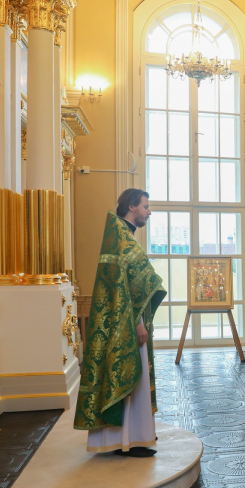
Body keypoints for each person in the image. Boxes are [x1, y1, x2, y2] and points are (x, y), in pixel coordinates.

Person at [75, 189, 167, 457]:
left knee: (134, 378)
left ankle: (137, 435)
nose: (149, 212)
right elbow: (122, 289)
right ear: (132, 207)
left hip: (129, 319)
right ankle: (127, 441)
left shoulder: (123, 235)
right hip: (126, 324)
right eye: (146, 207)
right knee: (128, 376)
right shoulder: (120, 239)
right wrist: (137, 324)